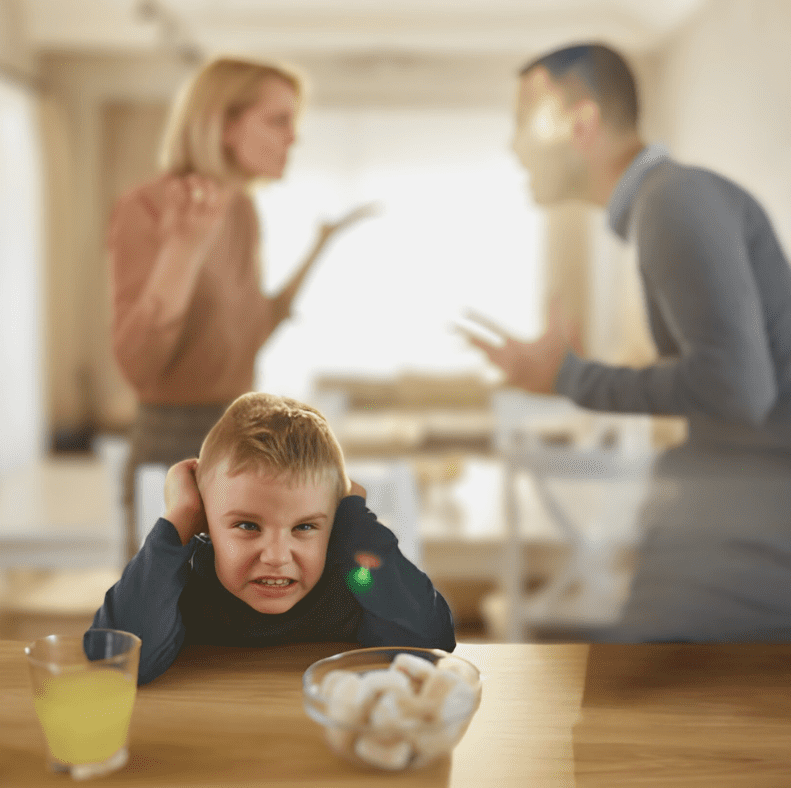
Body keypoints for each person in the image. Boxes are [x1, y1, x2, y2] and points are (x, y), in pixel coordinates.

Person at [462, 43, 791, 642]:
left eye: (523, 124)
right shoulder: (669, 203)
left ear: (579, 123)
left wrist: (572, 377)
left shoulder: (674, 201)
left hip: (754, 522)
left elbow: (738, 389)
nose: (513, 147)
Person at [108, 56, 373, 556]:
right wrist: (182, 253)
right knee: (166, 624)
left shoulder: (243, 211)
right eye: (278, 121)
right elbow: (139, 367)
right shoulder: (146, 207)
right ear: (224, 125)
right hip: (173, 444)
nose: (293, 138)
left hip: (237, 438)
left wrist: (320, 246)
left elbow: (250, 334)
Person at [89, 392, 456, 685]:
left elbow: (429, 641)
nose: (278, 557)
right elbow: (115, 660)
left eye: (305, 527)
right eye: (248, 526)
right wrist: (179, 518)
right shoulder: (182, 585)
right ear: (205, 517)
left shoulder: (355, 582)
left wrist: (353, 521)